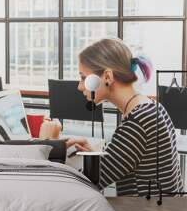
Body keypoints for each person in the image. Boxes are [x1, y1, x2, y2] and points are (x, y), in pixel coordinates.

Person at [66, 38, 183, 196]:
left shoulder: (138, 122)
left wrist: (47, 145)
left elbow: (87, 185)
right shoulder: (152, 108)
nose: (80, 87)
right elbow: (126, 162)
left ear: (107, 76)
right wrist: (96, 156)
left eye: (83, 78)